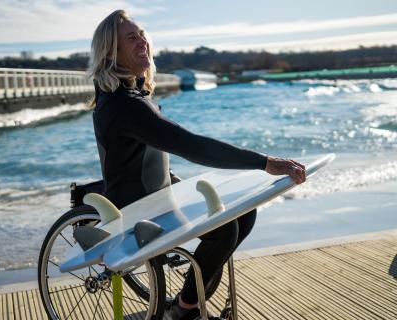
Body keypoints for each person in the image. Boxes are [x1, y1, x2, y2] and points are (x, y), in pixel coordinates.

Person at [88, 10, 306, 320]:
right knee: (224, 229)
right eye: (131, 38)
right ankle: (187, 309)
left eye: (143, 35)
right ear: (112, 51)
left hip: (158, 194)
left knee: (242, 212)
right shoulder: (124, 105)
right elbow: (192, 145)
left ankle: (188, 302)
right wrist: (263, 162)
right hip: (137, 208)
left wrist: (175, 180)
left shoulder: (134, 96)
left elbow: (147, 154)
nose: (143, 42)